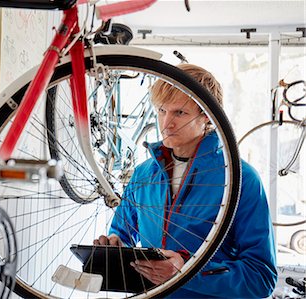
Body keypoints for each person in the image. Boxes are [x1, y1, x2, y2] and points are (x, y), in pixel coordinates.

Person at [94, 64, 278, 298]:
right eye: (161, 110)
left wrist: (186, 271)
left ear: (207, 117)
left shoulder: (241, 179)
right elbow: (122, 234)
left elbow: (261, 278)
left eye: (179, 113)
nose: (166, 123)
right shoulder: (142, 174)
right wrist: (113, 248)